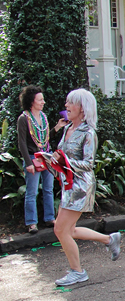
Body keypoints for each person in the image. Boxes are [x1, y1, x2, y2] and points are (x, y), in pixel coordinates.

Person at [51, 89, 121, 286]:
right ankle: (109, 240)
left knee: (60, 229)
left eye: (70, 103)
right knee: (69, 230)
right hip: (68, 183)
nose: (66, 106)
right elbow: (62, 156)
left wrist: (65, 161)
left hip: (80, 186)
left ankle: (77, 271)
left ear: (82, 108)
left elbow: (88, 163)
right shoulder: (67, 129)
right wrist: (51, 160)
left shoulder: (88, 132)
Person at [17, 85, 63, 234]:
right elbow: (22, 142)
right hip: (32, 157)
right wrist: (28, 163)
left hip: (46, 156)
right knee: (32, 191)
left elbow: (44, 138)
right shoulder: (24, 119)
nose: (43, 102)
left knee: (48, 189)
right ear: (32, 101)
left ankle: (49, 218)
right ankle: (31, 222)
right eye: (40, 100)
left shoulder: (43, 117)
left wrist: (57, 127)